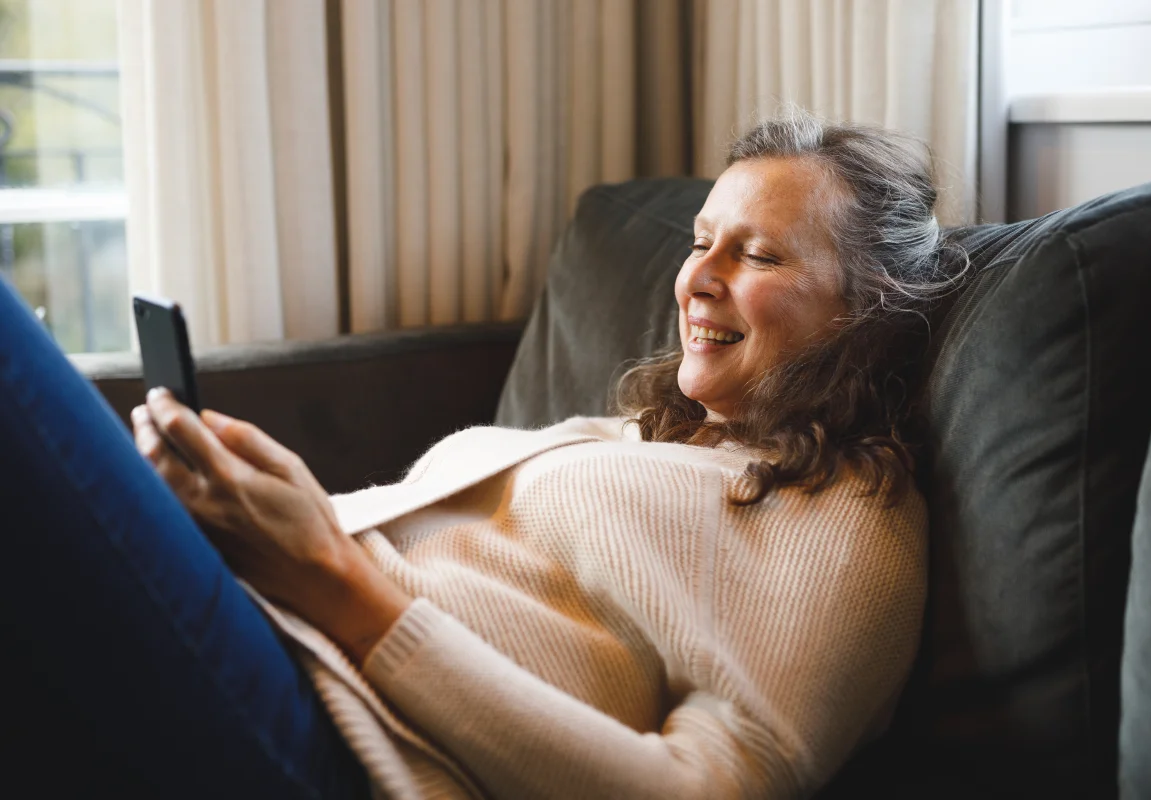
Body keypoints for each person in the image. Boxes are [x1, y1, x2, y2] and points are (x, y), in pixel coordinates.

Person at [1, 110, 959, 798]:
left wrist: (328, 573)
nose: (697, 279)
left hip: (333, 738)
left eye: (758, 256)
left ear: (868, 303)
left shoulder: (851, 517)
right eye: (702, 241)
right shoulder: (661, 441)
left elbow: (708, 787)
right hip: (278, 641)